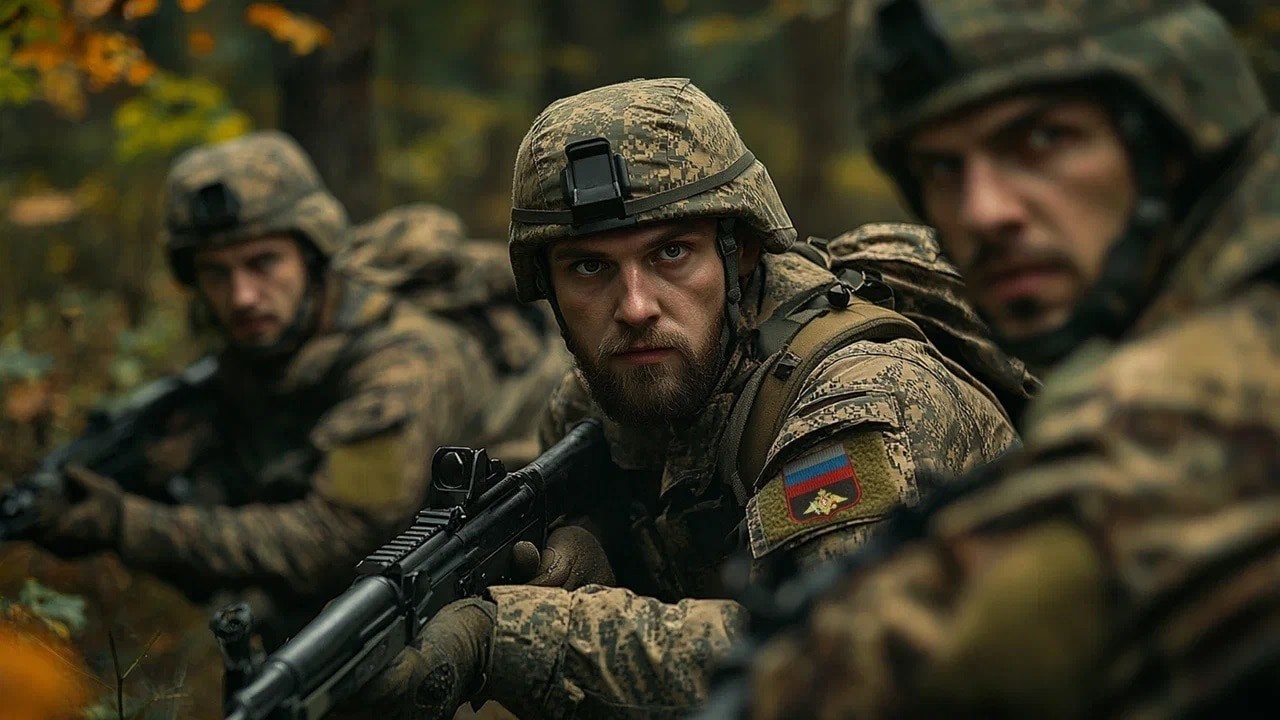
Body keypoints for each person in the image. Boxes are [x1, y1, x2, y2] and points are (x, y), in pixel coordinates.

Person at [352, 77, 1022, 719]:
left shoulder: (857, 400)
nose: (635, 307)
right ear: (549, 291)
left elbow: (835, 659)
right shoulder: (594, 405)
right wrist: (586, 546)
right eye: (589, 267)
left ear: (741, 255)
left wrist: (515, 636)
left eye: (671, 253)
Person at [739, 0, 1280, 717]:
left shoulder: (1202, 395)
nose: (983, 211)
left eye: (1042, 138)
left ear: (1172, 129)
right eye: (941, 168)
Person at [22, 131, 563, 649]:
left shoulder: (401, 365)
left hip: (512, 572)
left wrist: (129, 524)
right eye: (216, 273)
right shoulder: (270, 348)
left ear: (311, 256)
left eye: (264, 262)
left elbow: (336, 538)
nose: (242, 296)